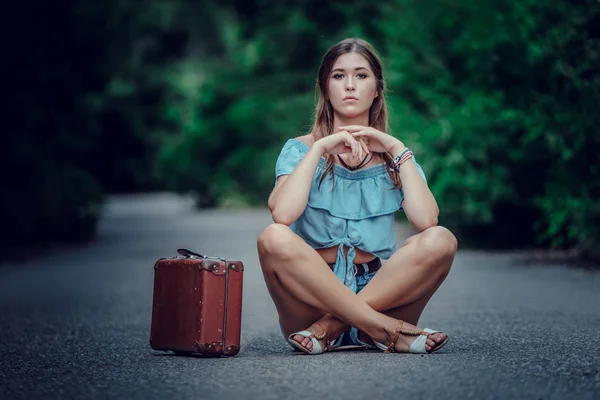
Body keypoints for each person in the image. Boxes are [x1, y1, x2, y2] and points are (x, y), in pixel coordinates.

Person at [257, 38, 458, 355]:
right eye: (338, 76)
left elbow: (426, 220)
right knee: (273, 238)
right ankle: (386, 331)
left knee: (441, 239)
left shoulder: (394, 156)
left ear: (377, 88)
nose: (349, 85)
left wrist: (395, 148)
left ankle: (332, 331)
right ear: (325, 87)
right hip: (311, 299)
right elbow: (282, 214)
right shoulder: (299, 149)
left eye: (361, 75)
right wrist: (321, 148)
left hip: (382, 294)